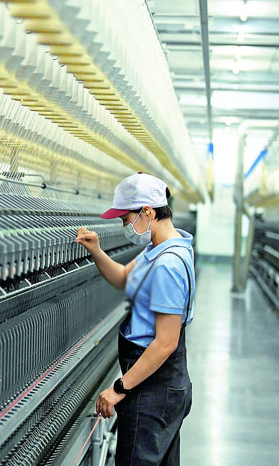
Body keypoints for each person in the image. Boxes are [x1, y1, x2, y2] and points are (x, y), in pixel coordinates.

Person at [75, 172, 195, 466]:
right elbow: (122, 277)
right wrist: (96, 251)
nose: (124, 226)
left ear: (147, 211)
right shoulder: (162, 248)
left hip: (154, 388)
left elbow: (166, 343)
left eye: (125, 219)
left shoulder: (167, 265)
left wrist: (119, 389)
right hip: (163, 385)